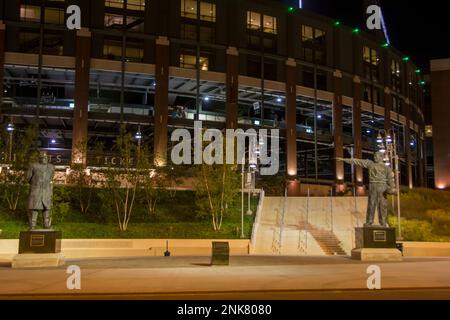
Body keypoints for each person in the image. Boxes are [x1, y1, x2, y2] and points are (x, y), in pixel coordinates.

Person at [337, 152, 395, 228]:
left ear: (381, 157)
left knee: (382, 205)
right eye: (374, 156)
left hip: (382, 186)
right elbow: (357, 161)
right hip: (373, 186)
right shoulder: (370, 164)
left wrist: (392, 187)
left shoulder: (386, 168)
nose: (374, 157)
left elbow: (390, 179)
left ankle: (383, 222)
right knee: (371, 204)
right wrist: (344, 159)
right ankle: (369, 221)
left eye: (376, 156)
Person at [27, 151, 55, 230]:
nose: (44, 159)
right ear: (39, 158)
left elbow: (51, 178)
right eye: (42, 157)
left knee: (47, 208)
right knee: (34, 208)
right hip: (36, 190)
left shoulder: (51, 167)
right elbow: (28, 178)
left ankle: (46, 225)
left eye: (45, 157)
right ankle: (32, 225)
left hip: (46, 191)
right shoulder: (33, 166)